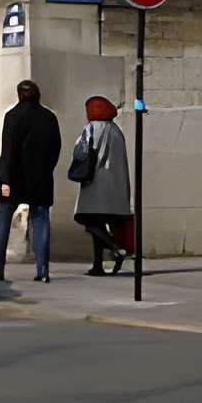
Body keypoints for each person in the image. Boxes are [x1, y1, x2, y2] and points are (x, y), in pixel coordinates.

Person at [0, 79, 61, 285]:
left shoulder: (13, 116)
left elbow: (9, 150)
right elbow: (55, 148)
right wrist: (46, 170)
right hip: (41, 178)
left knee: (2, 219)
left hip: (15, 177)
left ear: (19, 94)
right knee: (41, 223)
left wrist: (5, 179)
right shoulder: (49, 117)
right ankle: (43, 270)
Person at [70, 95, 132, 277]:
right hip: (115, 188)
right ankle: (97, 265)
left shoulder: (91, 129)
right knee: (99, 224)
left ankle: (115, 247)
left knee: (86, 219)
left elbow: (80, 151)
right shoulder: (116, 131)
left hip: (95, 185)